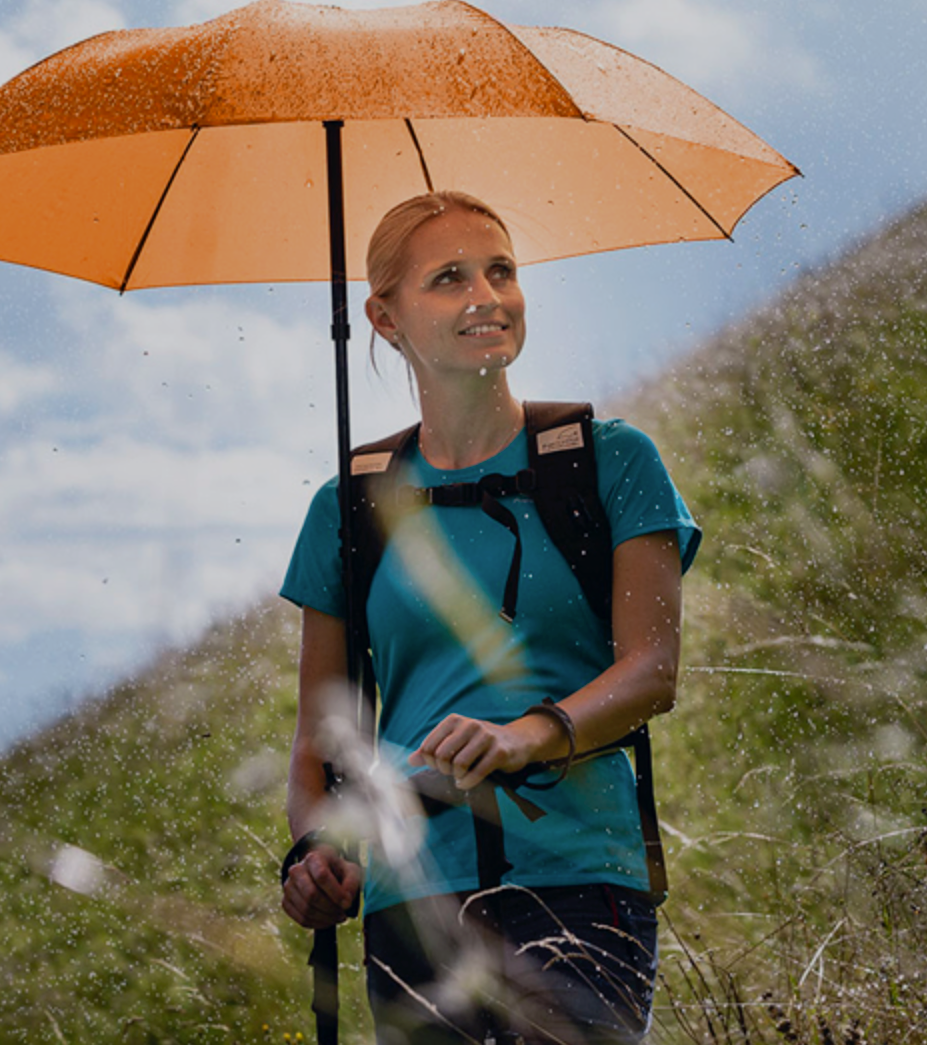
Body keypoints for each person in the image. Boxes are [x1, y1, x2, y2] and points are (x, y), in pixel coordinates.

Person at [280, 191, 700, 1044]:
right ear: (384, 318)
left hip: (580, 873)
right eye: (448, 278)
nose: (486, 296)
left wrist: (529, 735)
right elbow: (320, 740)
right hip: (410, 901)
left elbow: (651, 672)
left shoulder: (608, 461)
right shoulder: (348, 505)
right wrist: (315, 854)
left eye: (500, 270)